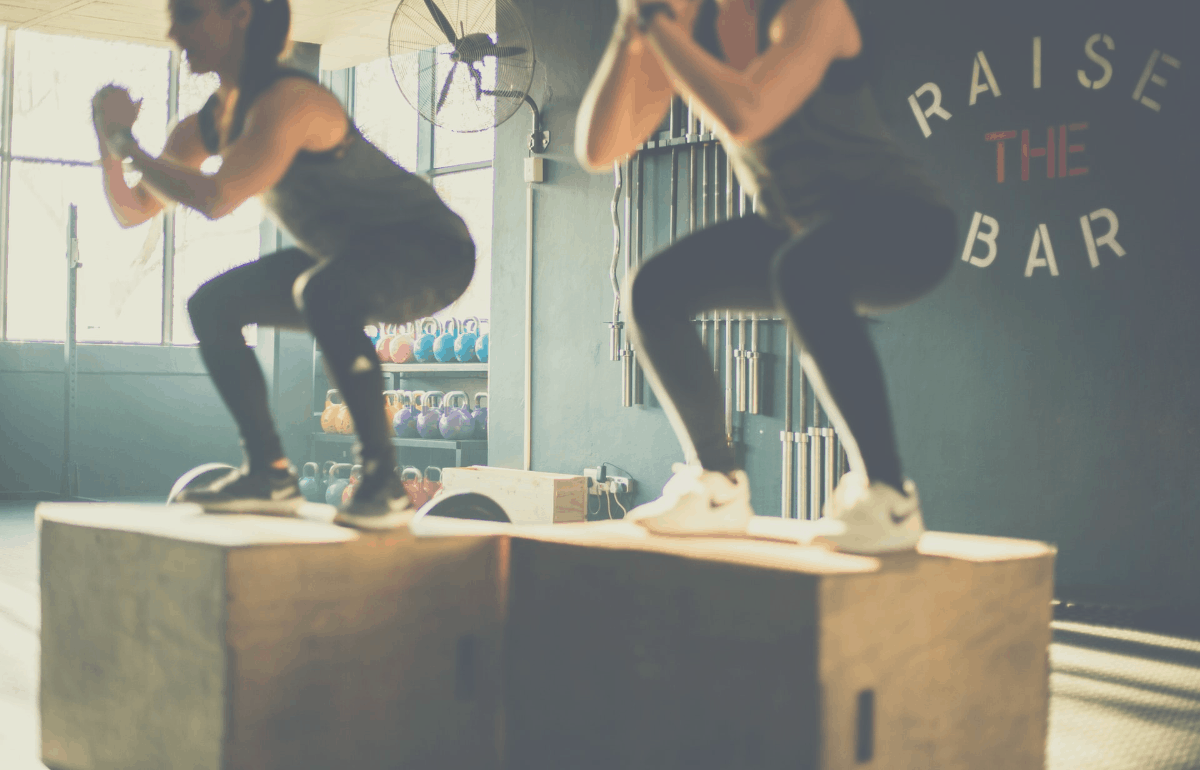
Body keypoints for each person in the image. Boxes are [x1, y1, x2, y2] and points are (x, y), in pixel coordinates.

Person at [576, 0, 956, 553]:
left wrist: (657, 22)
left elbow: (747, 111)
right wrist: (629, 30)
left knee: (803, 269)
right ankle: (717, 486)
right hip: (800, 233)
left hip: (905, 224)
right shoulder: (691, 33)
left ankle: (889, 497)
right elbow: (599, 148)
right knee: (654, 288)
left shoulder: (809, 11)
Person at [90, 0, 475, 530]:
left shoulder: (294, 101)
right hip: (347, 256)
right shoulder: (202, 127)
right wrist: (111, 147)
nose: (174, 32)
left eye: (190, 14)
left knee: (322, 292)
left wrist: (127, 143)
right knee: (213, 305)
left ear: (240, 13)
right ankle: (269, 473)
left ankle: (383, 484)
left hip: (430, 250)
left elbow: (217, 196)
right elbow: (134, 210)